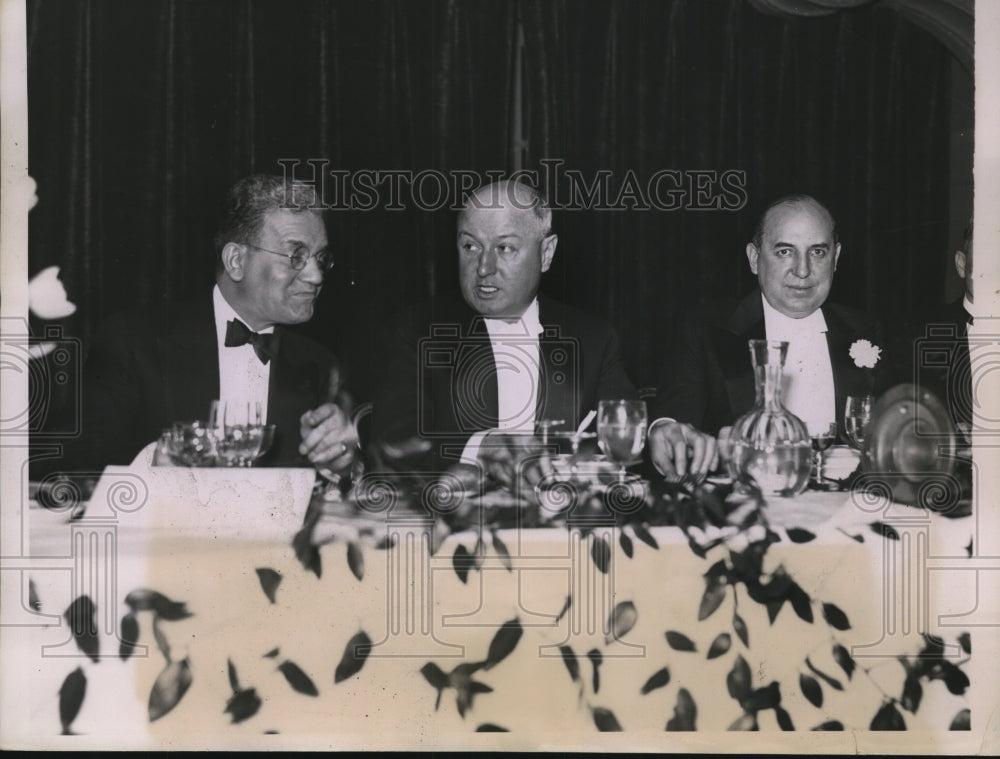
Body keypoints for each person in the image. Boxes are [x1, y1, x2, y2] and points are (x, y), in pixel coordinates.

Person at [370, 179, 668, 497]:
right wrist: (483, 447)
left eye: (505, 248)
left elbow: (623, 443)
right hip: (459, 520)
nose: (484, 268)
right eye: (470, 246)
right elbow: (393, 441)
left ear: (546, 253)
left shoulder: (593, 339)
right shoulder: (416, 331)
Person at [59, 174, 357, 475]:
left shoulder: (321, 367)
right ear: (236, 261)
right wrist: (150, 470)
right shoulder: (133, 342)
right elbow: (71, 466)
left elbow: (337, 484)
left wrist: (343, 465)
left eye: (321, 258)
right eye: (296, 256)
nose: (316, 276)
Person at [651, 194, 894, 461]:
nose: (802, 270)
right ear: (754, 258)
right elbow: (675, 422)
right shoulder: (704, 328)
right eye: (784, 252)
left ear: (835, 258)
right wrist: (666, 432)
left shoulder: (868, 330)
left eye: (817, 252)